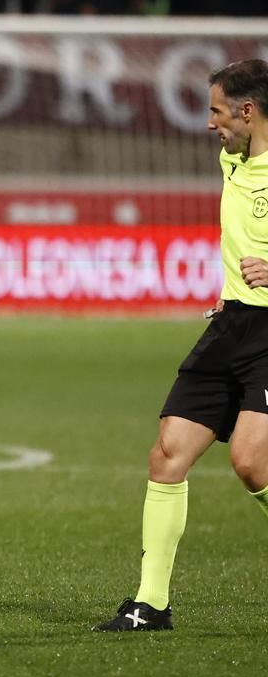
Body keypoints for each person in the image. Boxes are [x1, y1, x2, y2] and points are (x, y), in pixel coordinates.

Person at [97, 59, 268, 630]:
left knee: (250, 462)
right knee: (168, 451)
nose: (208, 123)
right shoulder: (233, 159)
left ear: (248, 111)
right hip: (232, 324)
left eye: (216, 110)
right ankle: (152, 604)